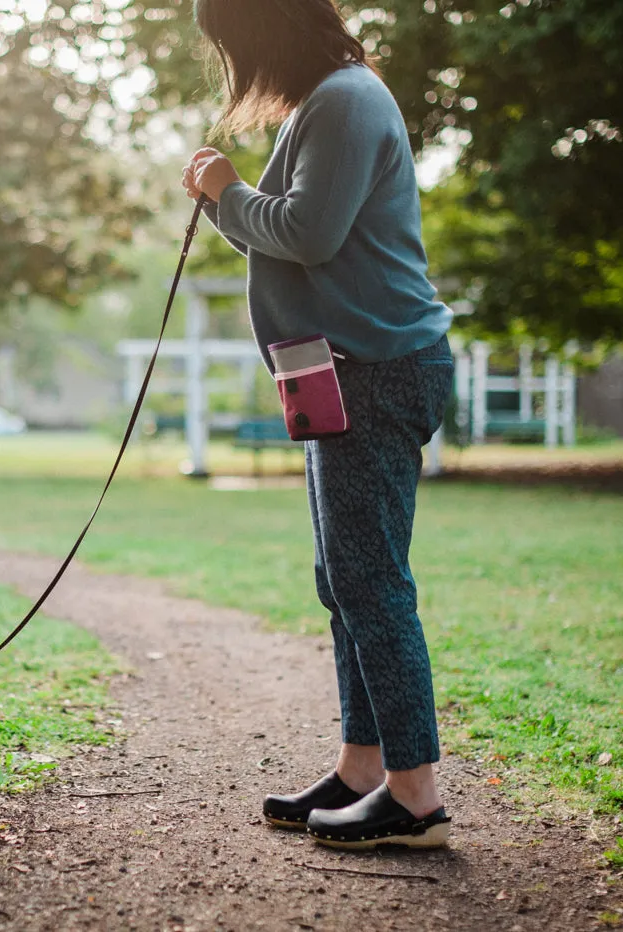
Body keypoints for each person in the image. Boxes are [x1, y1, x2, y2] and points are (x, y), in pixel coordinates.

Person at [183, 0, 455, 850]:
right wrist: (230, 201)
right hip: (341, 373)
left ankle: (415, 797)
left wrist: (228, 191)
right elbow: (300, 240)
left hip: (375, 371)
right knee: (343, 577)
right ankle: (362, 769)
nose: (234, 67)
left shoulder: (344, 99)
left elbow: (306, 230)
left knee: (370, 580)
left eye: (231, 44)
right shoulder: (328, 102)